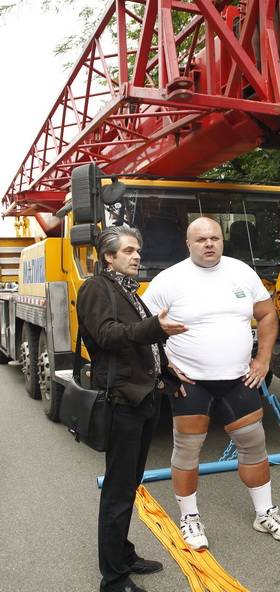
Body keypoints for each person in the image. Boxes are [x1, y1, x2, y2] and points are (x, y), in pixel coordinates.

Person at [142, 217, 280, 550]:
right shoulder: (169, 280)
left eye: (214, 237)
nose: (209, 243)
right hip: (191, 381)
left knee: (254, 445)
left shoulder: (242, 272)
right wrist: (165, 365)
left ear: (222, 240)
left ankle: (265, 513)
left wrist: (263, 359)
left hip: (239, 378)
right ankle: (189, 518)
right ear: (188, 244)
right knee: (187, 450)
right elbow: (144, 327)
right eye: (201, 239)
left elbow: (267, 315)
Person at [77, 225, 188, 592]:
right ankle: (113, 579)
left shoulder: (128, 291)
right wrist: (156, 326)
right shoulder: (96, 288)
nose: (137, 256)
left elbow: (146, 347)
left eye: (138, 250)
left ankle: (122, 555)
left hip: (143, 399)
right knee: (118, 491)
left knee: (129, 486)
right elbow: (107, 335)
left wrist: (168, 372)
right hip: (121, 402)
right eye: (128, 251)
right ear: (109, 257)